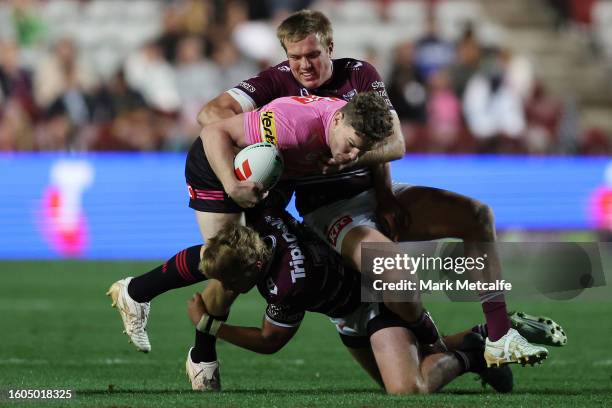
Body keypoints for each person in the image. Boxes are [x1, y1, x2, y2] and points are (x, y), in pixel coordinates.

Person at [107, 10, 560, 389]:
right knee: (234, 262)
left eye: (314, 54)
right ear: (286, 57)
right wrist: (259, 156)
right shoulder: (278, 90)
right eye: (296, 56)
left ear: (330, 46)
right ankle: (195, 342)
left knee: (477, 216)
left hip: (373, 194)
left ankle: (496, 336)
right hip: (332, 212)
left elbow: (395, 142)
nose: (305, 65)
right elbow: (211, 116)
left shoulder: (359, 75)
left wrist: (365, 178)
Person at [184, 209, 517, 394]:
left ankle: (474, 356)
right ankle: (480, 333)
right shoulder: (267, 221)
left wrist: (210, 325)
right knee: (401, 371)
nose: (226, 287)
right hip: (346, 311)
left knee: (407, 388)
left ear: (255, 267)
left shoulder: (288, 285)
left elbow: (271, 340)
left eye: (230, 279)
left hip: (372, 299)